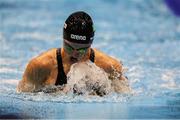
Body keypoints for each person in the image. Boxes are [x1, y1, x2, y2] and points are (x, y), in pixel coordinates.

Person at [17, 11, 128, 93]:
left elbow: (124, 98)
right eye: (69, 47)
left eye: (82, 49)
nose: (75, 53)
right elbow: (23, 100)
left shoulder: (110, 66)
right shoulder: (40, 66)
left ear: (91, 44)